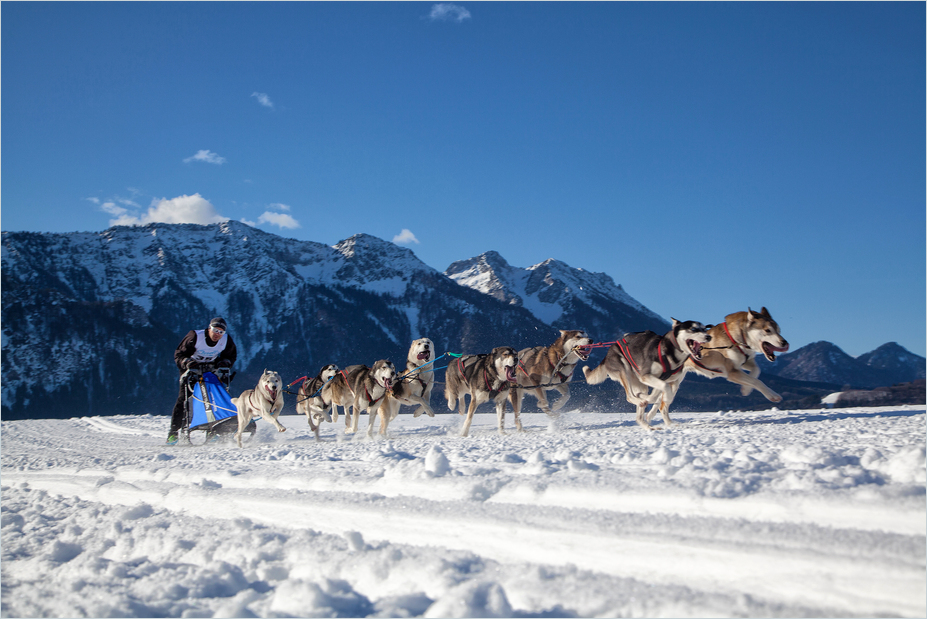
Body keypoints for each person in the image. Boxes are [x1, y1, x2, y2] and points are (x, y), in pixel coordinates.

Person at [167, 317, 238, 444]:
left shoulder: (226, 340)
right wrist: (187, 362)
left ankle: (213, 430)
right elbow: (179, 354)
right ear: (209, 328)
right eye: (216, 330)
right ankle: (173, 433)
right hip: (191, 370)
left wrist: (225, 362)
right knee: (183, 400)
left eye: (221, 332)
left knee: (215, 398)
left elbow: (231, 356)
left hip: (211, 371)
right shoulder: (195, 336)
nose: (218, 334)